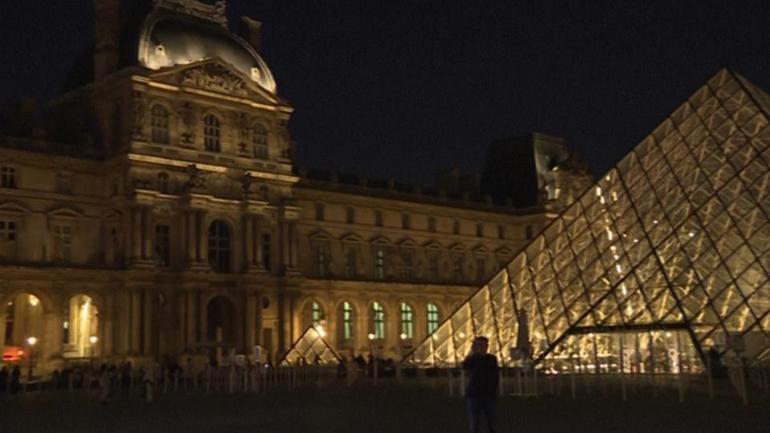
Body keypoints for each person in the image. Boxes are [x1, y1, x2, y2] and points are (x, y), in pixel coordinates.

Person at [462, 336, 499, 433]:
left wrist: (494, 390)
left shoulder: (492, 358)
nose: (482, 347)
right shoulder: (473, 358)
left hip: (488, 394)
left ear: (487, 346)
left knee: (492, 424)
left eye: (484, 345)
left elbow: (495, 376)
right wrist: (472, 352)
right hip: (474, 394)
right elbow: (464, 366)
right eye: (480, 345)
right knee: (474, 424)